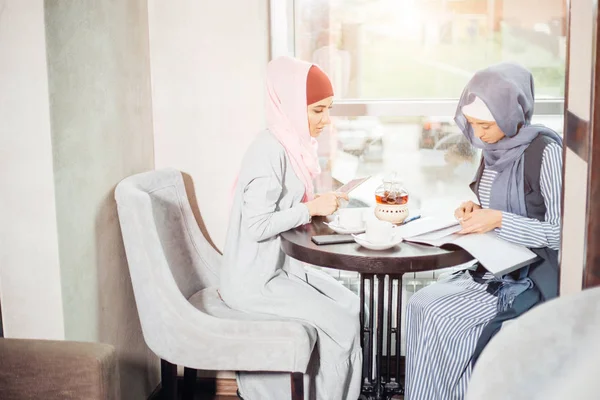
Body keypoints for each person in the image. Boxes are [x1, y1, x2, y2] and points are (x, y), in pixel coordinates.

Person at [404, 63, 563, 400]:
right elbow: (494, 206)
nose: (478, 135)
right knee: (420, 303)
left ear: (511, 114)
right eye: (472, 125)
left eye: (485, 125)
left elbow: (563, 233)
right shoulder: (493, 151)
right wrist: (475, 211)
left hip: (533, 276)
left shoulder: (545, 152)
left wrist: (500, 221)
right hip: (497, 266)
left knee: (440, 315)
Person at [219, 56, 362, 400]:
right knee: (342, 322)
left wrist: (318, 206)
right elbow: (256, 225)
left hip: (281, 268)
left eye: (328, 109)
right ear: (292, 105)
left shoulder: (290, 144)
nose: (326, 120)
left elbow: (285, 208)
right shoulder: (268, 150)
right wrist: (310, 208)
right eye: (317, 111)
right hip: (255, 281)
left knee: (351, 304)